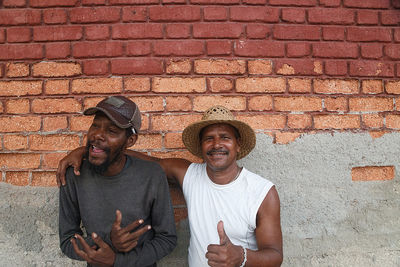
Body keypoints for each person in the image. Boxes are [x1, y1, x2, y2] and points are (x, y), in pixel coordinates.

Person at [58, 105, 283, 267]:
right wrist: (89, 151)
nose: (216, 145)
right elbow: (146, 162)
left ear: (238, 144)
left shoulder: (262, 192)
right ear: (201, 146)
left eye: (225, 137)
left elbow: (275, 256)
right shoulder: (190, 174)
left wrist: (241, 256)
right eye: (209, 139)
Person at [58, 96, 177, 267]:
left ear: (130, 141)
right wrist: (110, 243)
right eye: (95, 125)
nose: (98, 134)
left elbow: (167, 239)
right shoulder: (74, 174)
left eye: (112, 131)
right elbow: (67, 241)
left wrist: (118, 260)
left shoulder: (151, 175)